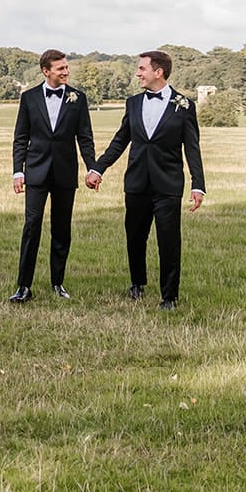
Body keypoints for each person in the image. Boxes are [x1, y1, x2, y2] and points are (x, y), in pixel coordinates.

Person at [85, 50, 205, 310]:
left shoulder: (184, 105)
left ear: (158, 72)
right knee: (135, 236)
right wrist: (98, 169)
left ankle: (169, 297)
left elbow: (192, 149)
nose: (138, 73)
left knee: (169, 241)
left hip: (168, 185)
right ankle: (137, 283)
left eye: (142, 69)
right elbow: (120, 141)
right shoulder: (133, 103)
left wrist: (198, 185)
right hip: (137, 182)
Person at [8, 49, 98, 302]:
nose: (66, 72)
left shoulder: (78, 98)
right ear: (46, 71)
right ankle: (23, 286)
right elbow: (20, 138)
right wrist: (18, 171)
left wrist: (92, 167)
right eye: (60, 69)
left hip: (65, 173)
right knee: (31, 227)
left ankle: (57, 282)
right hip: (35, 172)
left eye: (66, 68)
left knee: (61, 229)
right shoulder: (29, 98)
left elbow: (85, 138)